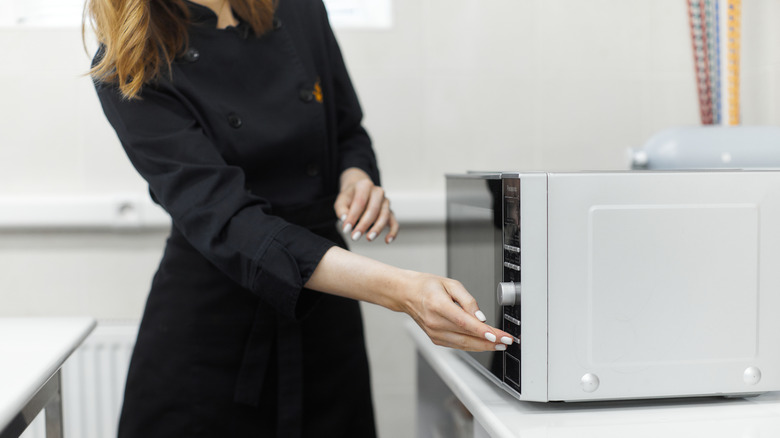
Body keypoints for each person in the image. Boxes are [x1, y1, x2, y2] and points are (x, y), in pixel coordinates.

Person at [85, 0, 513, 436]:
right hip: (213, 322)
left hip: (324, 316)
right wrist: (403, 290)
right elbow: (231, 222)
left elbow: (347, 129)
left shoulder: (298, 7)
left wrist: (356, 176)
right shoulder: (130, 60)